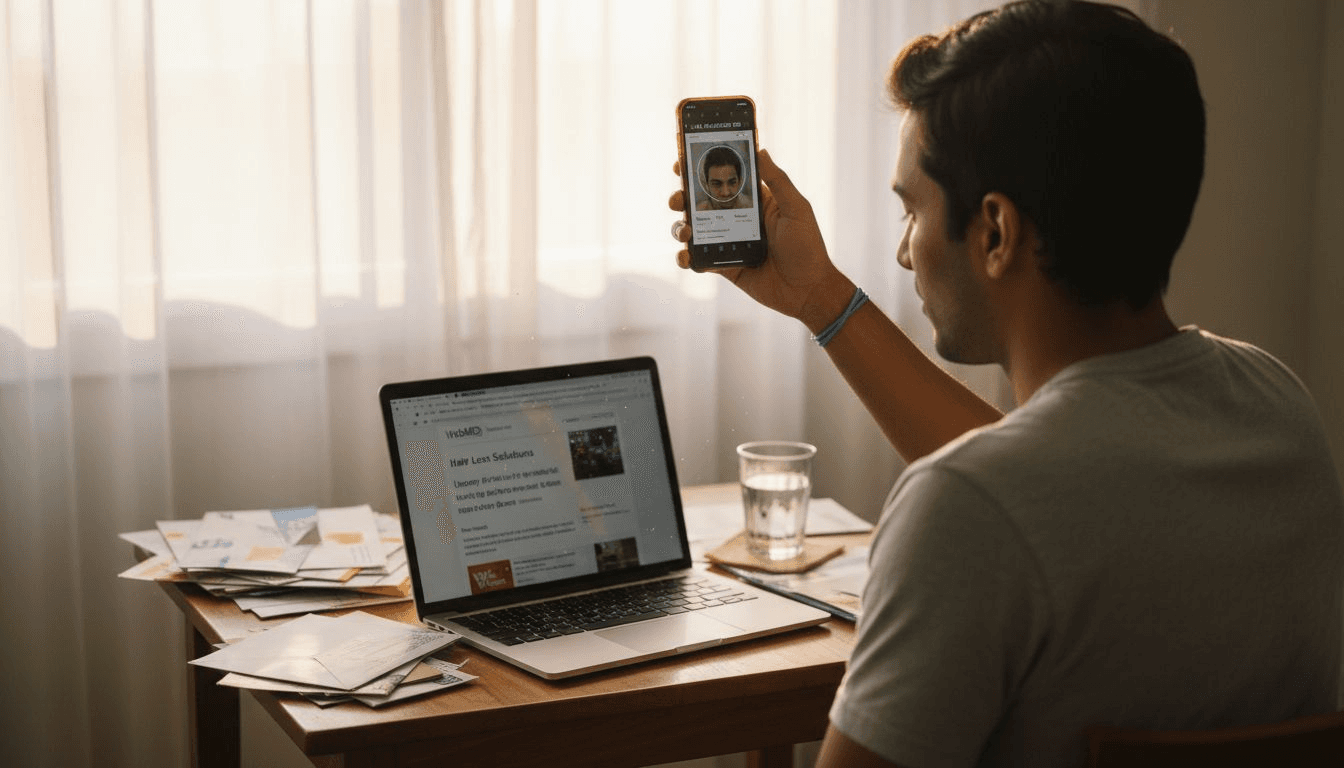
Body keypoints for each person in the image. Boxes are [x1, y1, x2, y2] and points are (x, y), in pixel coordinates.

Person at [669, 2, 1343, 767]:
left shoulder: (971, 513)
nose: (902, 252)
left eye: (911, 209)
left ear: (995, 232)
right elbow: (1045, 483)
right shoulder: (1281, 413)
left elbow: (1005, 498)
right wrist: (817, 295)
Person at [696, 144, 754, 210]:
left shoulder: (753, 207)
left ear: (740, 182)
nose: (726, 193)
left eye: (732, 183)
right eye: (717, 184)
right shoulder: (698, 211)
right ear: (707, 186)